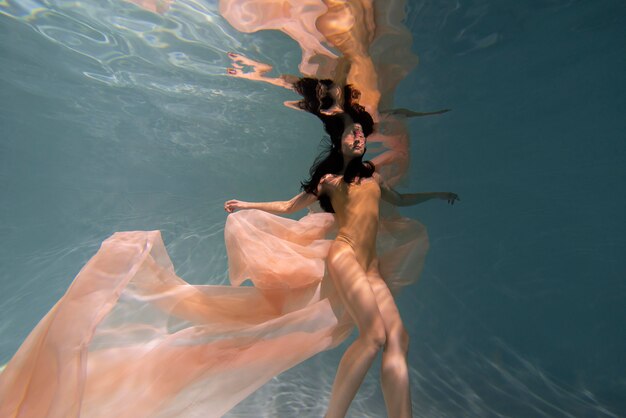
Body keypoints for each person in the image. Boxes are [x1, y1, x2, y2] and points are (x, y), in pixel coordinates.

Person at [225, 113, 458, 418]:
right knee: (374, 336)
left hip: (371, 268)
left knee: (399, 338)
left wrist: (437, 195)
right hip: (345, 255)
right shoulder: (329, 181)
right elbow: (288, 206)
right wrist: (247, 204)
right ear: (340, 142)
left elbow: (400, 200)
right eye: (352, 133)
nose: (359, 137)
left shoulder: (373, 177)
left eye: (362, 133)